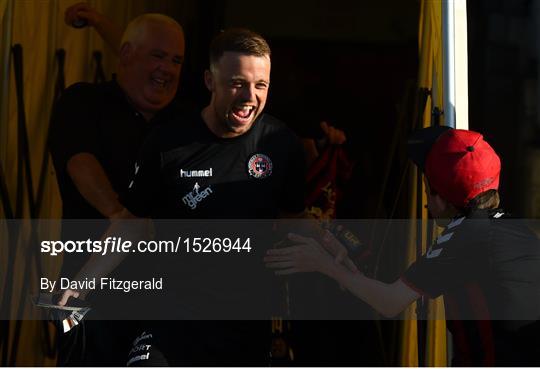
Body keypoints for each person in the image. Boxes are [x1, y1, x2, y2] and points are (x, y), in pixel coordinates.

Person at [57, 27, 323, 366]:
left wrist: (334, 252)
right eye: (237, 83)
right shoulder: (168, 143)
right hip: (171, 317)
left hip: (244, 324)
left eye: (260, 86)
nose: (249, 97)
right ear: (210, 82)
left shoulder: (280, 144)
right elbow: (132, 225)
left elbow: (292, 221)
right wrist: (80, 285)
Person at [265, 126, 540, 366]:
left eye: (425, 183)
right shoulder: (518, 230)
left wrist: (322, 264)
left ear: (440, 199)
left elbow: (389, 302)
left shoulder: (464, 236)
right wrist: (345, 264)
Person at [49, 12, 185, 365]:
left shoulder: (184, 121)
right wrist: (121, 217)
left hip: (166, 304)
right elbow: (79, 161)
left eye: (176, 60)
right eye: (158, 56)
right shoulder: (85, 101)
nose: (168, 68)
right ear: (124, 55)